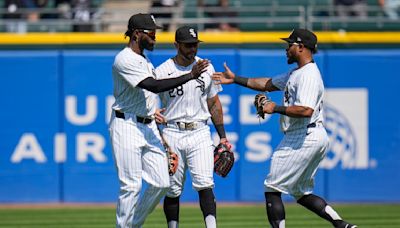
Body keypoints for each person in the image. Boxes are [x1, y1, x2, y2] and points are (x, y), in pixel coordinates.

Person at [212, 28, 357, 228]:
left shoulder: (308, 75)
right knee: (301, 193)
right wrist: (235, 78)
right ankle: (342, 225)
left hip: (303, 136)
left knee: (272, 188)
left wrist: (275, 108)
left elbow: (306, 110)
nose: (286, 49)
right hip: (311, 134)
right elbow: (267, 84)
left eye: (290, 45)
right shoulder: (296, 73)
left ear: (301, 47)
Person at [109, 13, 209, 228]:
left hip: (146, 124)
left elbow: (146, 95)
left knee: (162, 182)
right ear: (137, 34)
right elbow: (154, 86)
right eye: (151, 33)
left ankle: (134, 223)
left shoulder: (143, 59)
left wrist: (153, 111)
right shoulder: (124, 58)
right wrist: (190, 76)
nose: (155, 37)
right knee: (131, 186)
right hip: (125, 125)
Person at [154, 25, 230, 228]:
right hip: (172, 132)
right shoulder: (162, 70)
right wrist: (153, 113)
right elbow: (149, 103)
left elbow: (213, 103)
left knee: (205, 184)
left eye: (194, 45)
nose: (192, 49)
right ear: (176, 45)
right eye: (187, 45)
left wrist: (222, 136)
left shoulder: (206, 67)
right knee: (172, 190)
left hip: (200, 132)